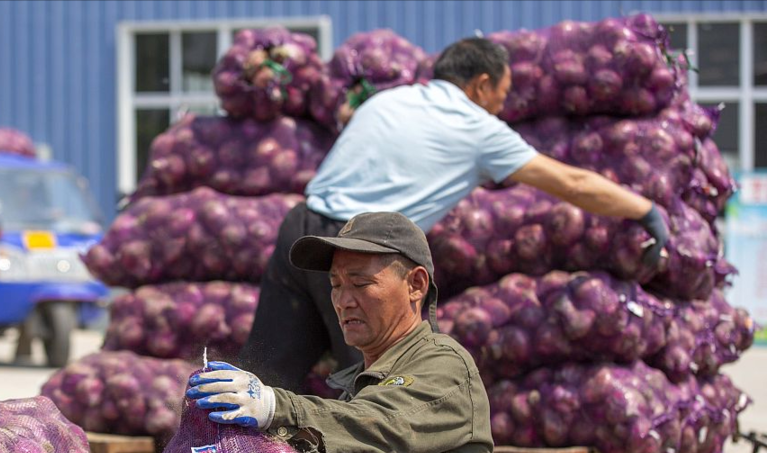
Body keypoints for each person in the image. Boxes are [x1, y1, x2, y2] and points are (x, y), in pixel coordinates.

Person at [237, 36, 671, 393]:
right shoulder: (477, 128)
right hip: (361, 253)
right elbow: (572, 184)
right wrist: (645, 210)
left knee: (269, 380)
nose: (499, 110)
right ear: (481, 85)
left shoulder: (390, 101)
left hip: (302, 234)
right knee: (388, 388)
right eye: (499, 99)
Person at [188, 212, 490, 453]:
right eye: (335, 285)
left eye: (360, 283)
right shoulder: (349, 397)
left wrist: (274, 405)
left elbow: (383, 424)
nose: (343, 300)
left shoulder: (446, 365)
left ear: (415, 285)